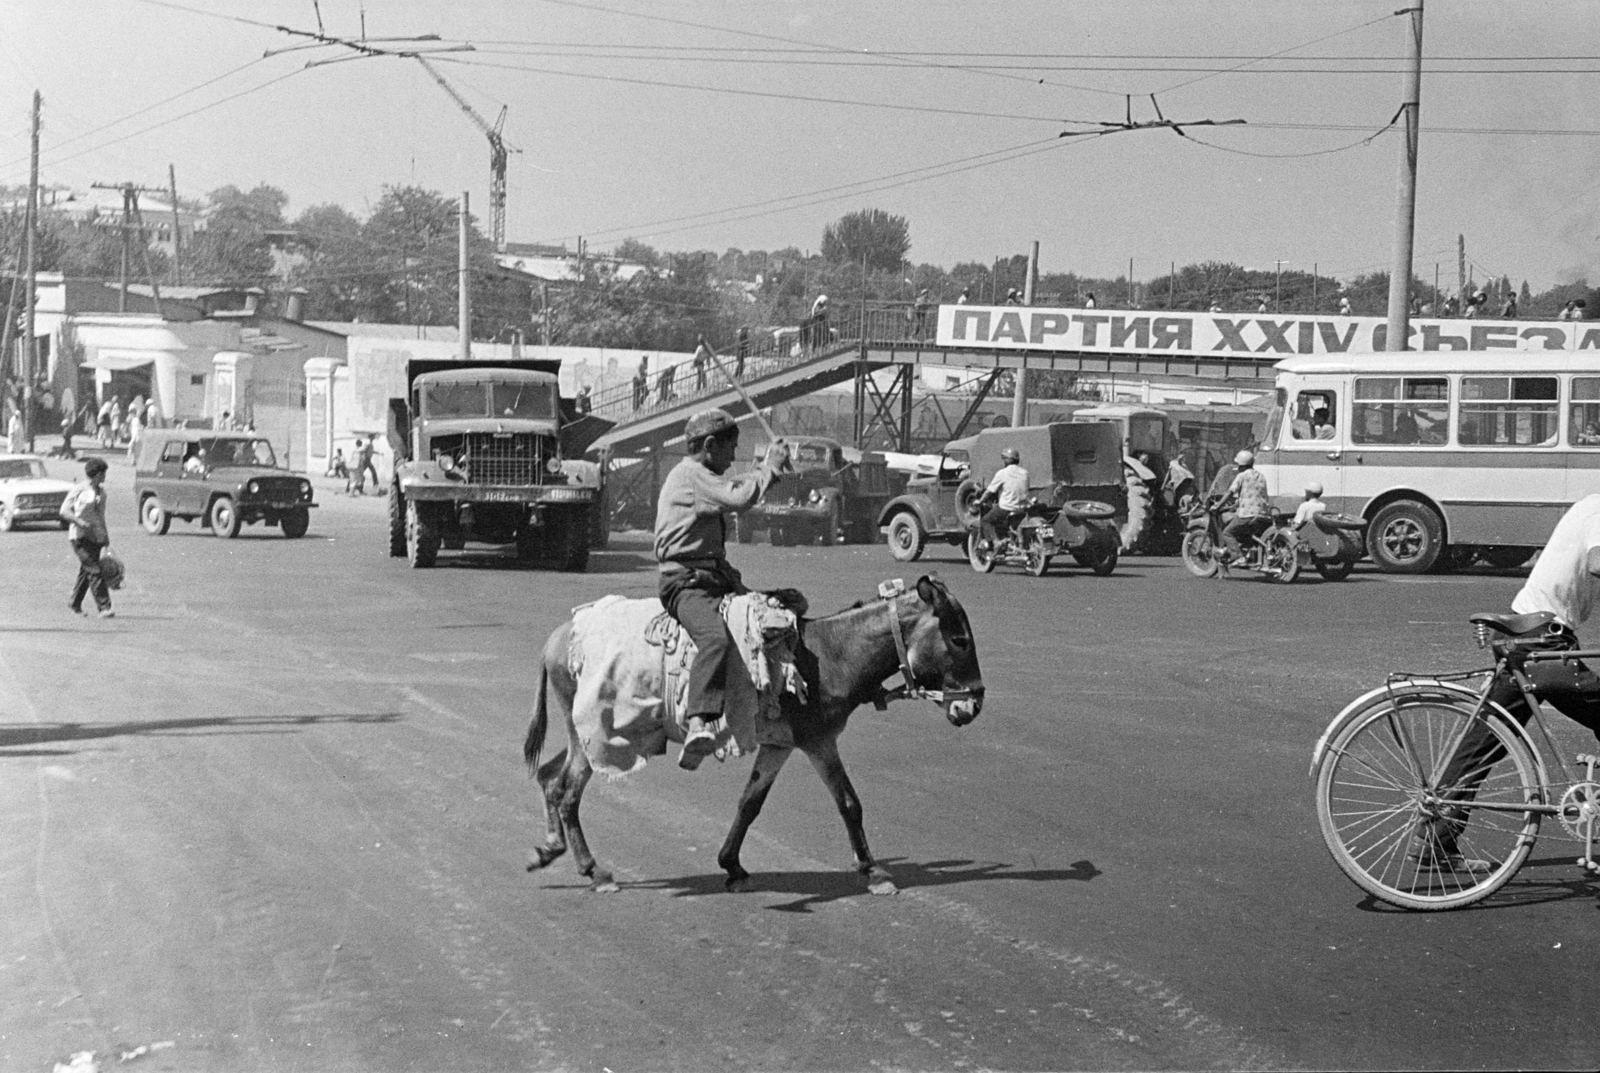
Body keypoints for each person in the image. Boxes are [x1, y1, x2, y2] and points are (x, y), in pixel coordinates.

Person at [1424, 496, 1600, 866]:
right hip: (1544, 642)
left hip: (1528, 636)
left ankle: (1435, 844)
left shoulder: (1589, 505)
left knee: (1483, 745)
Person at [654, 408, 788, 769]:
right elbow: (739, 496)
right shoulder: (692, 476)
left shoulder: (701, 476)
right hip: (685, 585)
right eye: (731, 449)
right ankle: (697, 721)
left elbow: (737, 486)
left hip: (713, 577)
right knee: (715, 638)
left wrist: (766, 470)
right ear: (711, 446)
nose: (732, 459)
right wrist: (769, 467)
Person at [63, 457, 114, 618]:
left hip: (96, 537)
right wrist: (79, 521)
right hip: (79, 536)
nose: (105, 477)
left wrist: (105, 536)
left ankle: (74, 603)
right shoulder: (79, 490)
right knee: (94, 569)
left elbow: (101, 516)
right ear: (98, 474)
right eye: (103, 474)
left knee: (86, 571)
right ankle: (105, 607)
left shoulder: (101, 493)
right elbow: (64, 511)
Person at [1218, 449, 1272, 564]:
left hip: (1247, 514)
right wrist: (1236, 504)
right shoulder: (1261, 476)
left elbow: (1230, 492)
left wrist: (1218, 505)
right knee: (1244, 531)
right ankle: (1246, 552)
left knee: (1227, 532)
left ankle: (1237, 556)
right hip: (1264, 514)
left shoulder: (1241, 476)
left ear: (1241, 465)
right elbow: (1254, 494)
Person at [979, 446, 1029, 551]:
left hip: (1007, 508)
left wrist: (980, 501)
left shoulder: (1002, 473)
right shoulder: (1025, 473)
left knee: (985, 521)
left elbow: (989, 491)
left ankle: (996, 542)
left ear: (1006, 460)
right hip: (1022, 508)